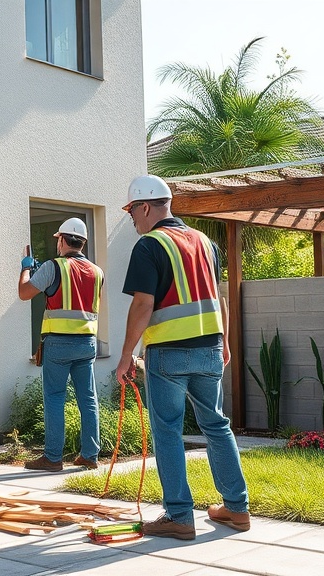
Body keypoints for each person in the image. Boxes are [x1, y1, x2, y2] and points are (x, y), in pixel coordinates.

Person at [116, 174, 250, 540]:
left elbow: (143, 304)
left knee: (169, 433)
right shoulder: (204, 242)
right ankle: (236, 509)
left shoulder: (149, 245)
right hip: (209, 349)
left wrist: (126, 355)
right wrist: (223, 342)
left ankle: (178, 516)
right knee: (217, 426)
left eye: (131, 212)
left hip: (169, 355)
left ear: (145, 207)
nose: (132, 220)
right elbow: (219, 296)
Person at [17, 218, 103, 472]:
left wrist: (26, 269)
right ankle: (90, 455)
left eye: (58, 240)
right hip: (87, 343)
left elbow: (24, 293)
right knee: (88, 399)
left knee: (55, 398)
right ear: (83, 242)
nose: (57, 244)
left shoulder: (54, 267)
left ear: (64, 240)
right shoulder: (97, 272)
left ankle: (53, 458)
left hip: (59, 344)